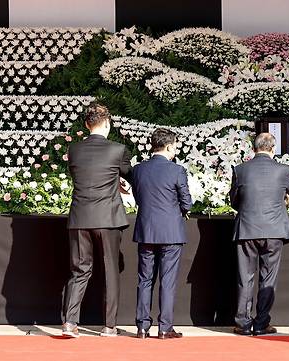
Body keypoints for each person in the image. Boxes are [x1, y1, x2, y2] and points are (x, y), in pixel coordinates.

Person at [62, 103, 132, 338]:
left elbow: (85, 176)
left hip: (80, 217)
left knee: (79, 271)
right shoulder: (118, 149)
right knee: (111, 271)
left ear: (86, 124)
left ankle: (70, 323)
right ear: (108, 123)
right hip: (108, 218)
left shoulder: (75, 149)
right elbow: (127, 174)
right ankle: (109, 326)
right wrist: (118, 184)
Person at [229, 133, 289, 336]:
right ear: (272, 148)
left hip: (247, 229)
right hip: (274, 230)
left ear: (254, 148)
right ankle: (261, 323)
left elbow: (234, 201)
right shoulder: (282, 170)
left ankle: (243, 324)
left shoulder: (240, 170)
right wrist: (283, 195)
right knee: (268, 278)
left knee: (245, 278)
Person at [131, 128, 192, 340]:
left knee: (145, 279)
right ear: (168, 146)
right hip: (171, 232)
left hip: (146, 230)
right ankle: (165, 327)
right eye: (175, 146)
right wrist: (182, 210)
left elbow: (138, 197)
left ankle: (142, 326)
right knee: (167, 281)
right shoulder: (177, 170)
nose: (176, 150)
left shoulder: (138, 170)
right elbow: (187, 202)